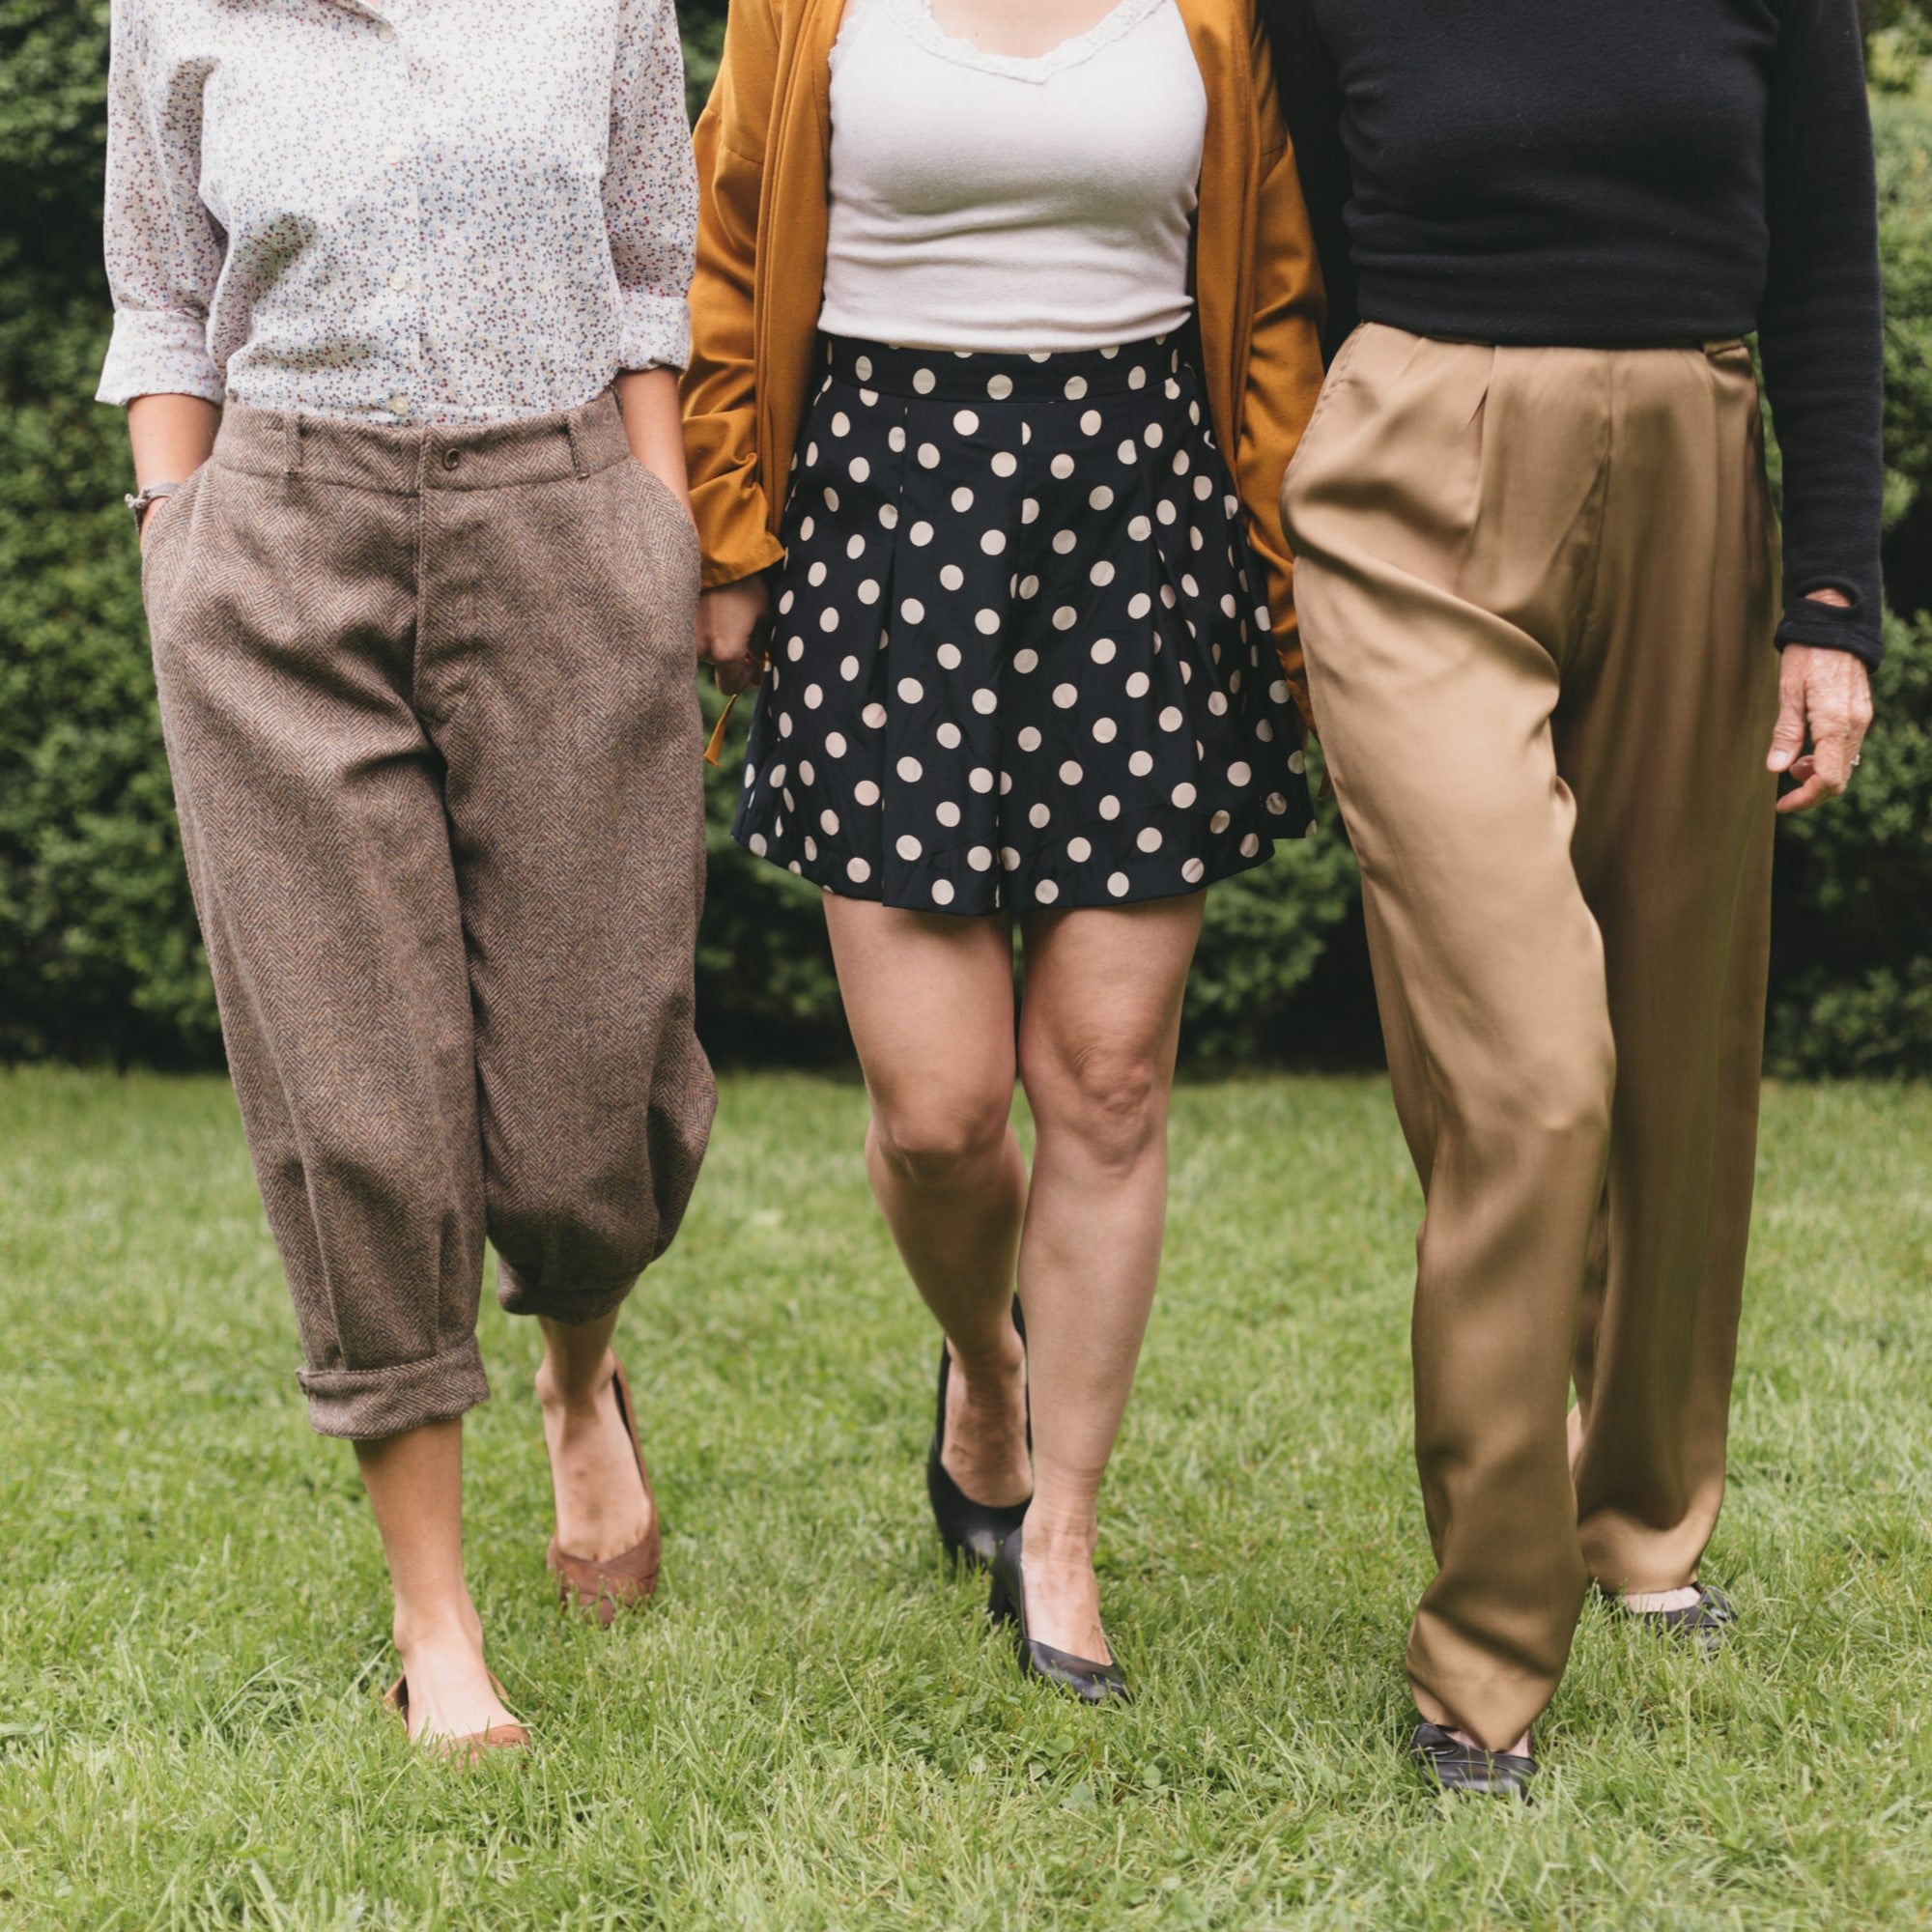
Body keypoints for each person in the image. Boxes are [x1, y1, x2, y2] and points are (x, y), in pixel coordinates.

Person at [1266, 0, 1884, 1794]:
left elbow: (1828, 261)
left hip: (1695, 450)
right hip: (1407, 477)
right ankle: (1485, 1648)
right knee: (1534, 1070)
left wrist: (1829, 602)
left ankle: (1645, 1520)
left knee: (1680, 1042)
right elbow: (1294, 239)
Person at [684, 0, 1325, 1698]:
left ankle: (1064, 1537)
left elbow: (1266, 299)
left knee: (1108, 1078)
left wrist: (1286, 578)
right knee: (945, 1110)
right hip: (885, 520)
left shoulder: (1214, 10)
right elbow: (730, 242)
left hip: (1140, 518)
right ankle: (987, 1366)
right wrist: (727, 533)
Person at [99, 0, 716, 1757]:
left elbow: (644, 269)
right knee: (358, 1103)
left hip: (566, 521)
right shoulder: (176, 9)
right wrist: (179, 545)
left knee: (594, 1097)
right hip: (282, 549)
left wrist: (654, 540)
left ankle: (578, 1376)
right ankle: (433, 1626)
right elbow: (161, 293)